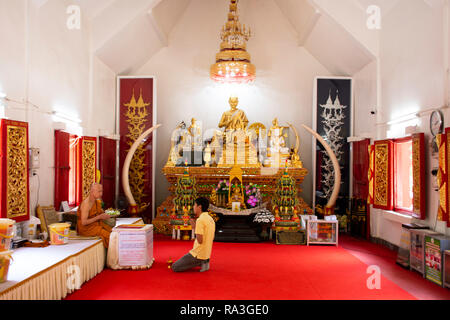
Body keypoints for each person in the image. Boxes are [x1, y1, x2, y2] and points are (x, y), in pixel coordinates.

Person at [172, 197, 216, 272]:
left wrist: (195, 228)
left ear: (199, 207)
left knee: (175, 267)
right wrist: (195, 227)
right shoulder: (210, 219)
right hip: (207, 253)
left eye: (194, 205)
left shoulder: (200, 220)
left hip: (198, 254)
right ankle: (205, 261)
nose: (193, 207)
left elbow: (200, 240)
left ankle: (201, 262)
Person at [77, 183, 113, 248]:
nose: (101, 194)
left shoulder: (96, 202)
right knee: (109, 236)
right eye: (99, 191)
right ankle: (113, 256)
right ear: (92, 191)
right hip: (86, 229)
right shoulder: (86, 204)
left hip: (95, 225)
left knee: (113, 231)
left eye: (102, 191)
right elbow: (84, 222)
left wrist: (106, 214)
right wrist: (99, 217)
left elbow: (98, 213)